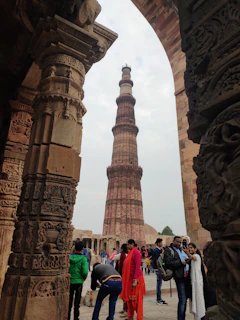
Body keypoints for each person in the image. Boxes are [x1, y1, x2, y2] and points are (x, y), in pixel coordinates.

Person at [120, 239, 146, 320]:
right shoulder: (130, 253)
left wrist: (135, 279)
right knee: (130, 300)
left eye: (128, 245)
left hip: (136, 279)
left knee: (137, 301)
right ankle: (130, 316)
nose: (127, 246)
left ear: (132, 244)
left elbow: (137, 267)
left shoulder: (136, 253)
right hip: (129, 280)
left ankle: (139, 318)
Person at [165, 236, 186, 320]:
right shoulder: (169, 250)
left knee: (185, 299)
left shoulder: (181, 249)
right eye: (177, 242)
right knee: (182, 299)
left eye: (180, 242)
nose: (179, 243)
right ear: (173, 241)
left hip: (185, 276)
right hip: (179, 276)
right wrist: (181, 262)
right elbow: (169, 263)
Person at [184, 243, 206, 320]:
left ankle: (201, 315)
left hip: (197, 282)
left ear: (195, 249)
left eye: (191, 248)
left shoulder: (197, 256)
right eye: (189, 248)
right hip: (194, 282)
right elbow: (190, 259)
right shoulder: (192, 258)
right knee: (195, 299)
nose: (190, 249)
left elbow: (193, 257)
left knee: (199, 299)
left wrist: (187, 253)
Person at [68, 240, 88, 320]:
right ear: (82, 248)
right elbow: (85, 271)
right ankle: (76, 318)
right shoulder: (83, 258)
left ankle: (67, 317)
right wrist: (83, 278)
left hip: (70, 281)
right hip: (79, 282)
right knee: (77, 302)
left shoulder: (69, 257)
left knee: (69, 301)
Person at [152, 238, 167, 305]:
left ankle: (159, 298)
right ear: (158, 243)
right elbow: (158, 260)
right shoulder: (156, 250)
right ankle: (158, 299)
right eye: (161, 243)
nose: (162, 244)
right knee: (159, 284)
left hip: (158, 268)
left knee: (159, 284)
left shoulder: (158, 250)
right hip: (158, 269)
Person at [118, 244, 128, 318]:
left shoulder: (123, 254)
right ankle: (125, 309)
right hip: (124, 275)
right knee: (124, 293)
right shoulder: (125, 254)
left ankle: (127, 310)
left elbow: (121, 265)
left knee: (126, 293)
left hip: (125, 276)